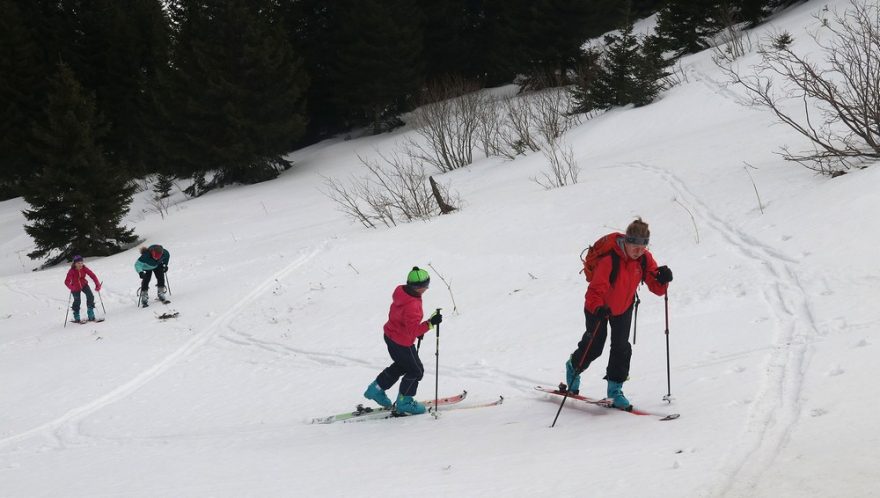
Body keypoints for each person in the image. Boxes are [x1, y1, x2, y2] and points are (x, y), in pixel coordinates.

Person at [564, 218, 673, 409]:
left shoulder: (644, 259)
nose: (638, 251)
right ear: (627, 241)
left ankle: (615, 390)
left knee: (621, 348)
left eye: (643, 247)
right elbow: (594, 291)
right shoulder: (609, 260)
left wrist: (663, 279)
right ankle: (574, 368)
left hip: (624, 307)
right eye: (635, 247)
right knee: (594, 345)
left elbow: (657, 288)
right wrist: (598, 307)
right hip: (599, 309)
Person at [363, 267, 443, 415]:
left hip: (391, 336)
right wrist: (430, 323)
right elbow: (412, 330)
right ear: (419, 287)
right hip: (402, 343)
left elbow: (403, 320)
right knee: (416, 371)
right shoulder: (413, 305)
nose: (427, 288)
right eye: (426, 285)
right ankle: (404, 402)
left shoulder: (401, 292)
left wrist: (420, 327)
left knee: (401, 366)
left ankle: (376, 389)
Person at [64, 255, 101, 322]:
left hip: (84, 284)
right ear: (75, 264)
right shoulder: (71, 271)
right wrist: (71, 287)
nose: (80, 264)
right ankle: (76, 315)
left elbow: (92, 275)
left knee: (90, 296)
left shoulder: (84, 268)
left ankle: (90, 313)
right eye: (78, 263)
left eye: (81, 263)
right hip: (75, 287)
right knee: (77, 301)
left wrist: (97, 284)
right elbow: (66, 282)